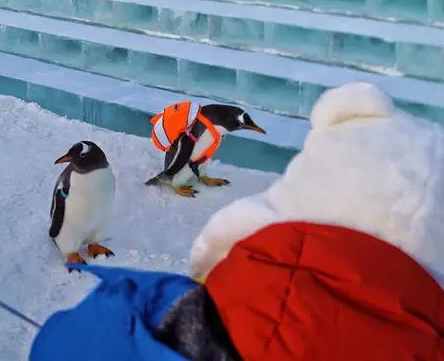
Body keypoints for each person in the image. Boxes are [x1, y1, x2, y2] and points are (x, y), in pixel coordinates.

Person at [29, 82, 444, 360]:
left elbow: (60, 344)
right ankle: (82, 240)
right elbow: (181, 151)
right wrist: (174, 174)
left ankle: (97, 235)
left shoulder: (175, 310)